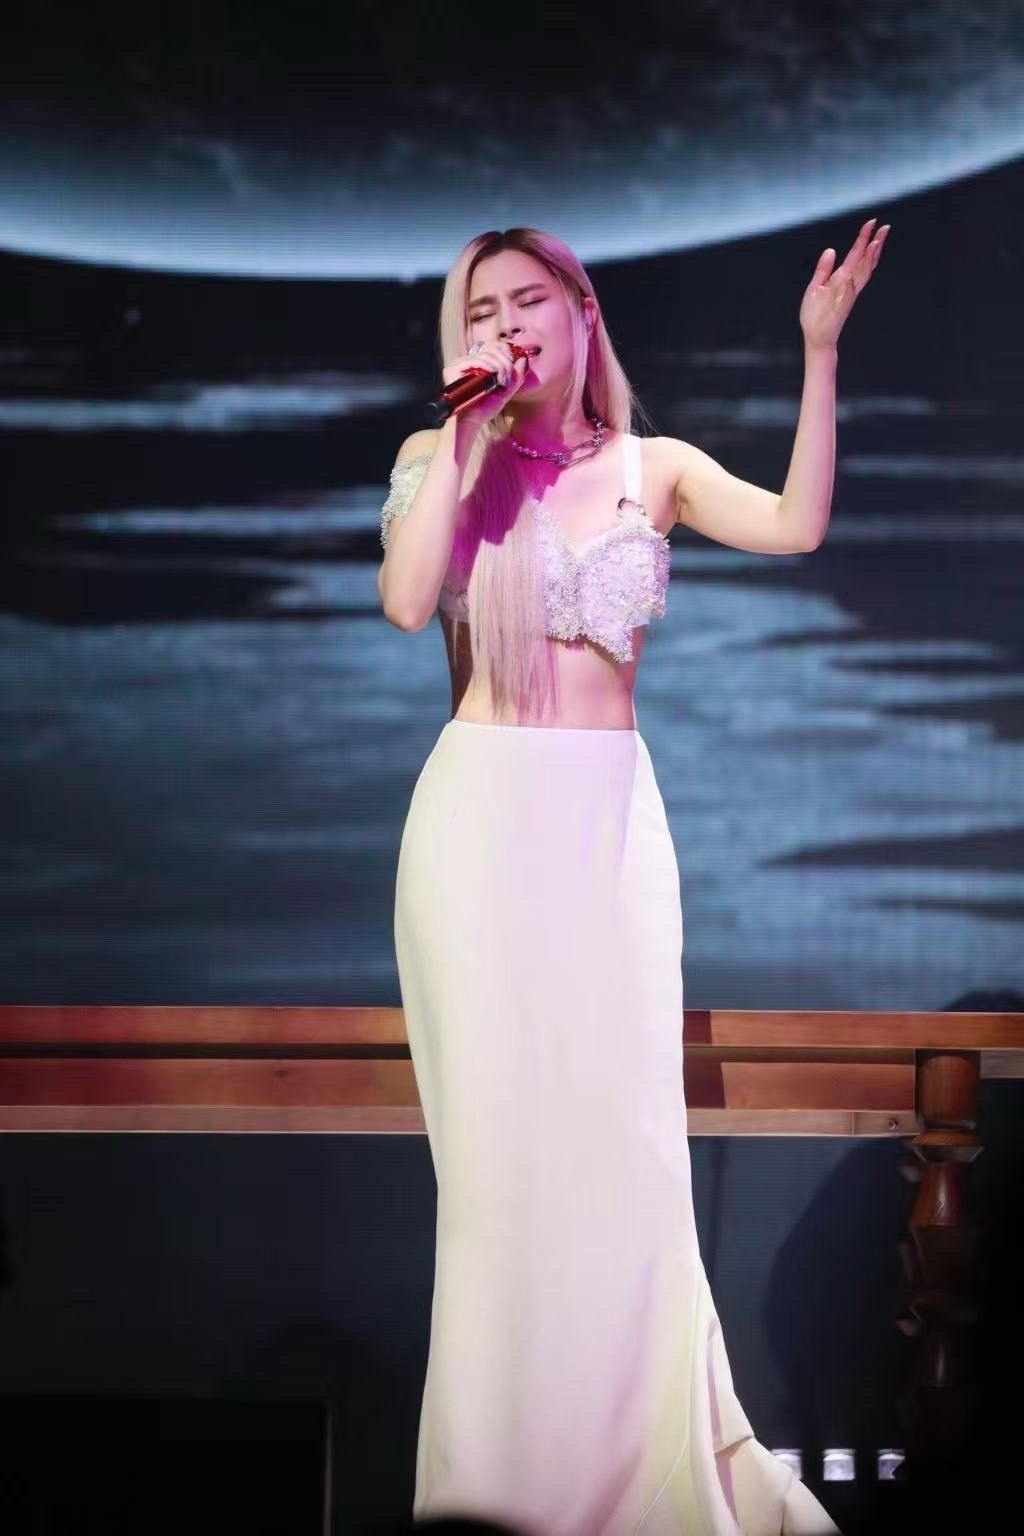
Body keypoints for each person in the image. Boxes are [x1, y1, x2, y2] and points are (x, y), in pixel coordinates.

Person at [378, 223, 887, 1535]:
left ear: (580, 311)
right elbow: (406, 601)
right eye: (481, 310)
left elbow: (797, 525)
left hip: (609, 828)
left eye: (528, 301)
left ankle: (637, 1478)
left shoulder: (652, 469)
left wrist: (819, 356)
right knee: (496, 1186)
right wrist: (462, 439)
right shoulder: (442, 459)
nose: (506, 327)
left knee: (626, 1162)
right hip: (477, 829)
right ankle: (499, 1491)